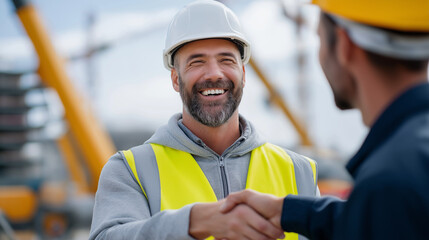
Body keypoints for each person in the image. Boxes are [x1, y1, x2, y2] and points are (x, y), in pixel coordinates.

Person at [89, 1, 319, 239]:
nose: (214, 74)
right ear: (176, 79)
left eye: (226, 60)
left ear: (243, 73)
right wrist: (193, 222)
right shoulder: (131, 170)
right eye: (197, 62)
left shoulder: (298, 172)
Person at [220, 0, 429, 239]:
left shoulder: (388, 182)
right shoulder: (408, 171)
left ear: (344, 45)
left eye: (318, 38)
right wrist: (289, 212)